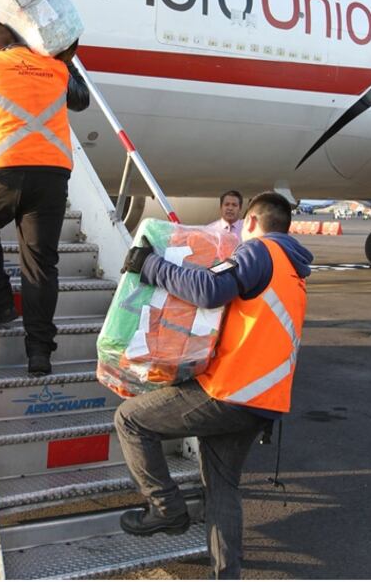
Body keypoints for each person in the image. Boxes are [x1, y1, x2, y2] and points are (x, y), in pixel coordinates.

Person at [115, 191, 312, 579]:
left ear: (250, 222)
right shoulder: (295, 271)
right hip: (264, 401)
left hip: (230, 390)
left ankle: (166, 508)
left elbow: (209, 289)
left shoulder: (259, 251)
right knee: (222, 487)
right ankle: (227, 574)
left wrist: (150, 265)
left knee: (131, 420)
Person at [0, 14, 89, 376]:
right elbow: (82, 99)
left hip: (6, 172)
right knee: (40, 264)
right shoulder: (54, 66)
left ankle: (1, 304)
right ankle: (39, 353)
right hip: (52, 175)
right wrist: (61, 53)